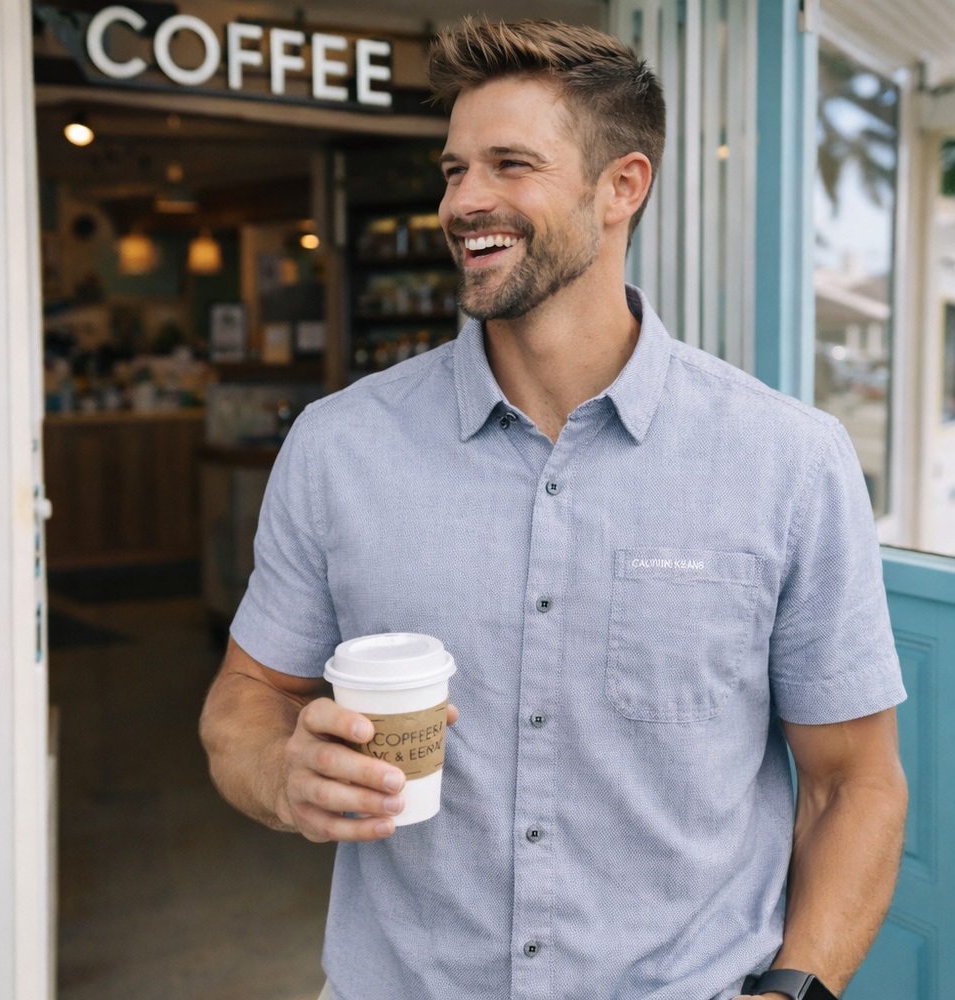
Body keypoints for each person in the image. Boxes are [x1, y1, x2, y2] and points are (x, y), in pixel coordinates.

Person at [199, 18, 908, 1000]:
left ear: (621, 186)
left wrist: (794, 990)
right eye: (452, 170)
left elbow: (854, 782)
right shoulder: (338, 446)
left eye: (508, 164)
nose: (463, 201)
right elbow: (243, 697)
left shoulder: (787, 460)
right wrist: (283, 770)